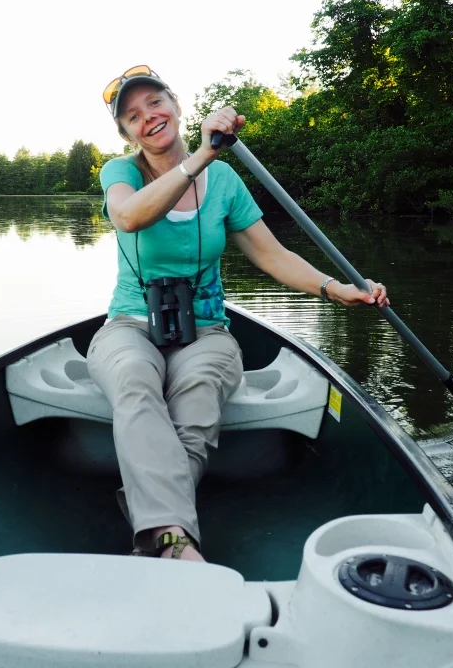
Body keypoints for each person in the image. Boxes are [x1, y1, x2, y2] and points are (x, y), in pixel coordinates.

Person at [86, 65, 390, 562]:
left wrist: (335, 289)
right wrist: (203, 154)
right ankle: (175, 543)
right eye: (133, 117)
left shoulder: (224, 181)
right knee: (136, 380)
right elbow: (129, 216)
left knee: (198, 396)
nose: (149, 119)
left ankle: (156, 522)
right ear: (126, 133)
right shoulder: (120, 173)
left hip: (207, 329)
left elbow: (271, 255)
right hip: (129, 326)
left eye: (155, 104)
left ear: (176, 104)